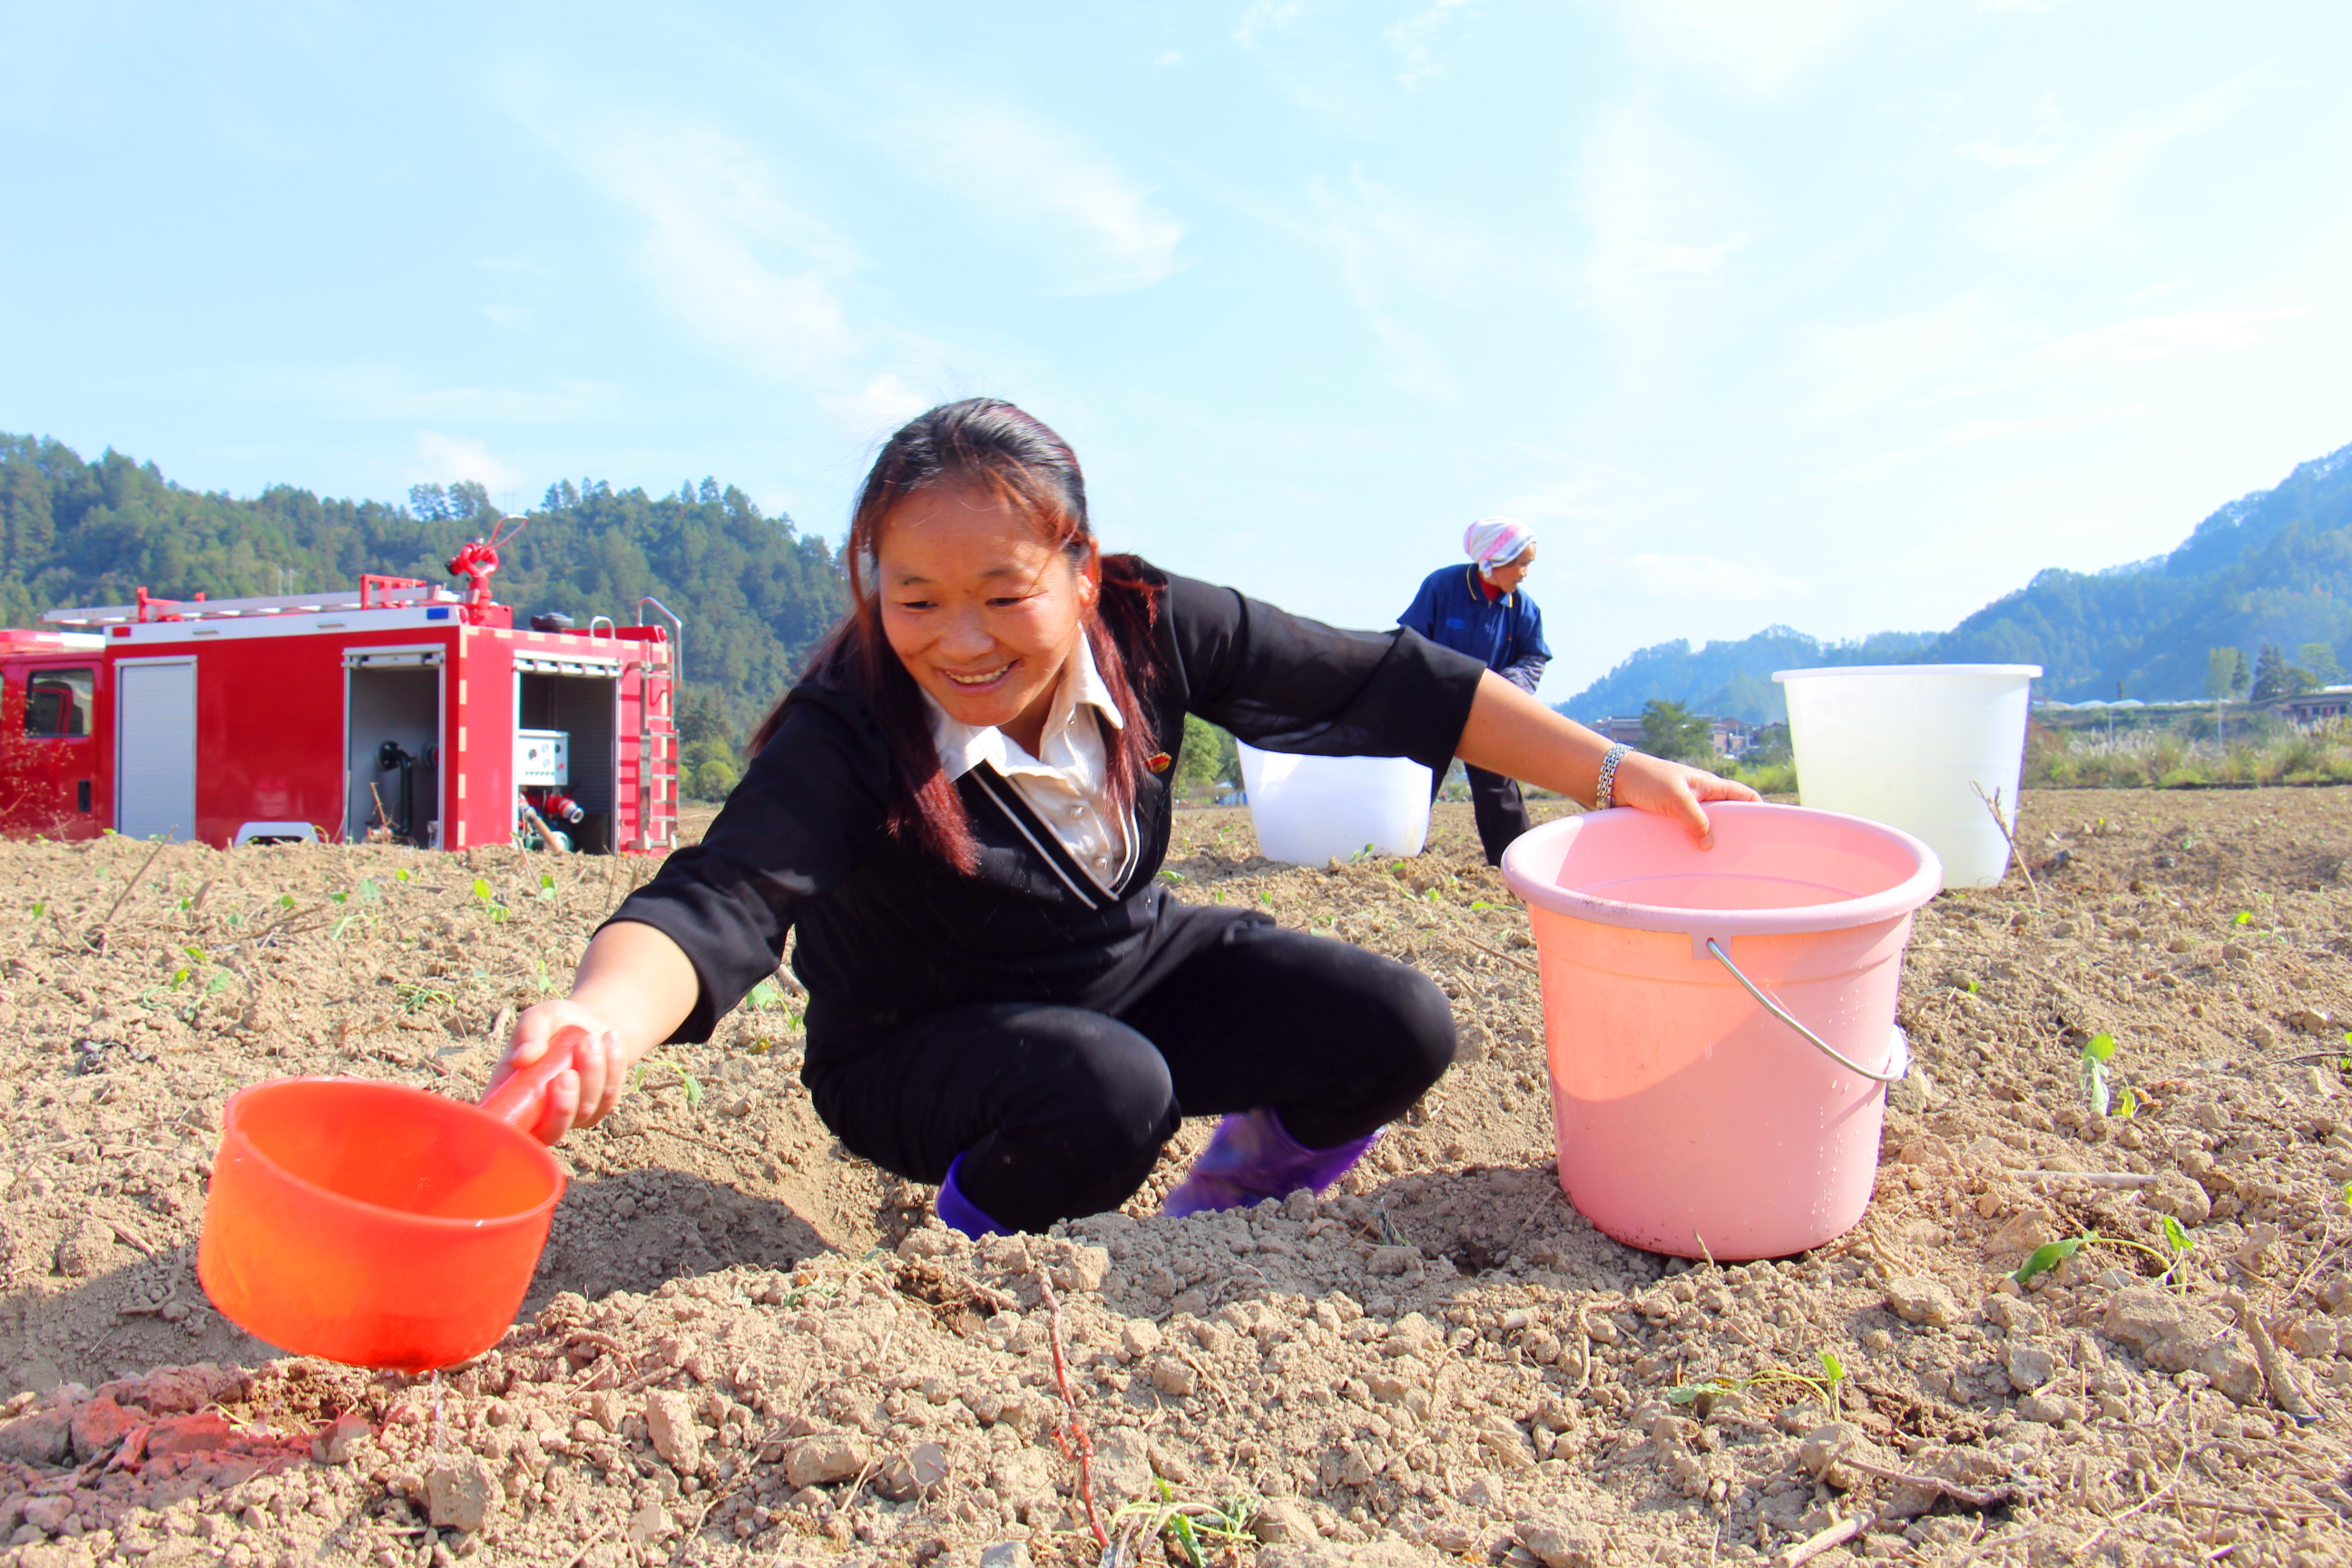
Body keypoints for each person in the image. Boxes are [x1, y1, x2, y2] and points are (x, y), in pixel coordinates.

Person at [491, 400, 1756, 1238]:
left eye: (1004, 592)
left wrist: (1614, 773)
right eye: (915, 599)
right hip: (917, 1042)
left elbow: (1385, 679)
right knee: (1103, 1093)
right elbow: (724, 896)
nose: (960, 640)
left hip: (1127, 965)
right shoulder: (853, 723)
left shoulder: (1155, 628)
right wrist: (598, 1018)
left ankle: (1220, 1216)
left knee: (1395, 1027)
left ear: (1081, 571)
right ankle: (967, 1257)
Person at [1397, 518, 1549, 865]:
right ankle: (1397, 851)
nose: (1525, 573)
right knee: (1415, 782)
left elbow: (1533, 657)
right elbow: (1410, 641)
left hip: (1488, 711)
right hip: (1434, 704)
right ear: (1492, 559)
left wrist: (1506, 686)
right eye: (1521, 563)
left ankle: (1514, 863)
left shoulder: (1523, 609)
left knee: (1498, 789)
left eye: (1529, 564)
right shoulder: (1442, 587)